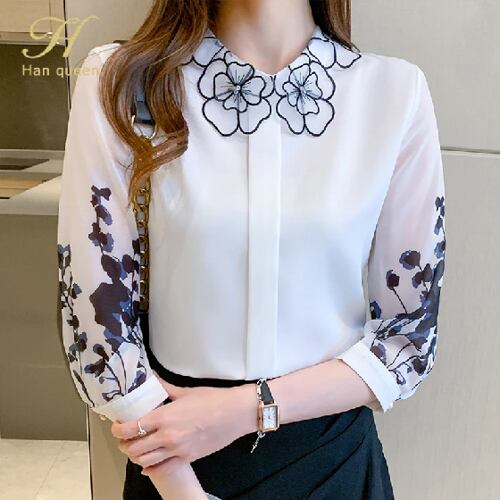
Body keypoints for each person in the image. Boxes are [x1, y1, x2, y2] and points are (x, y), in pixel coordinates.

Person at [57, 0, 447, 498]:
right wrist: (182, 490)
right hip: (175, 458)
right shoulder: (122, 81)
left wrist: (245, 410)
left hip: (334, 459)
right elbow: (97, 324)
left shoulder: (394, 92)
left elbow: (408, 340)